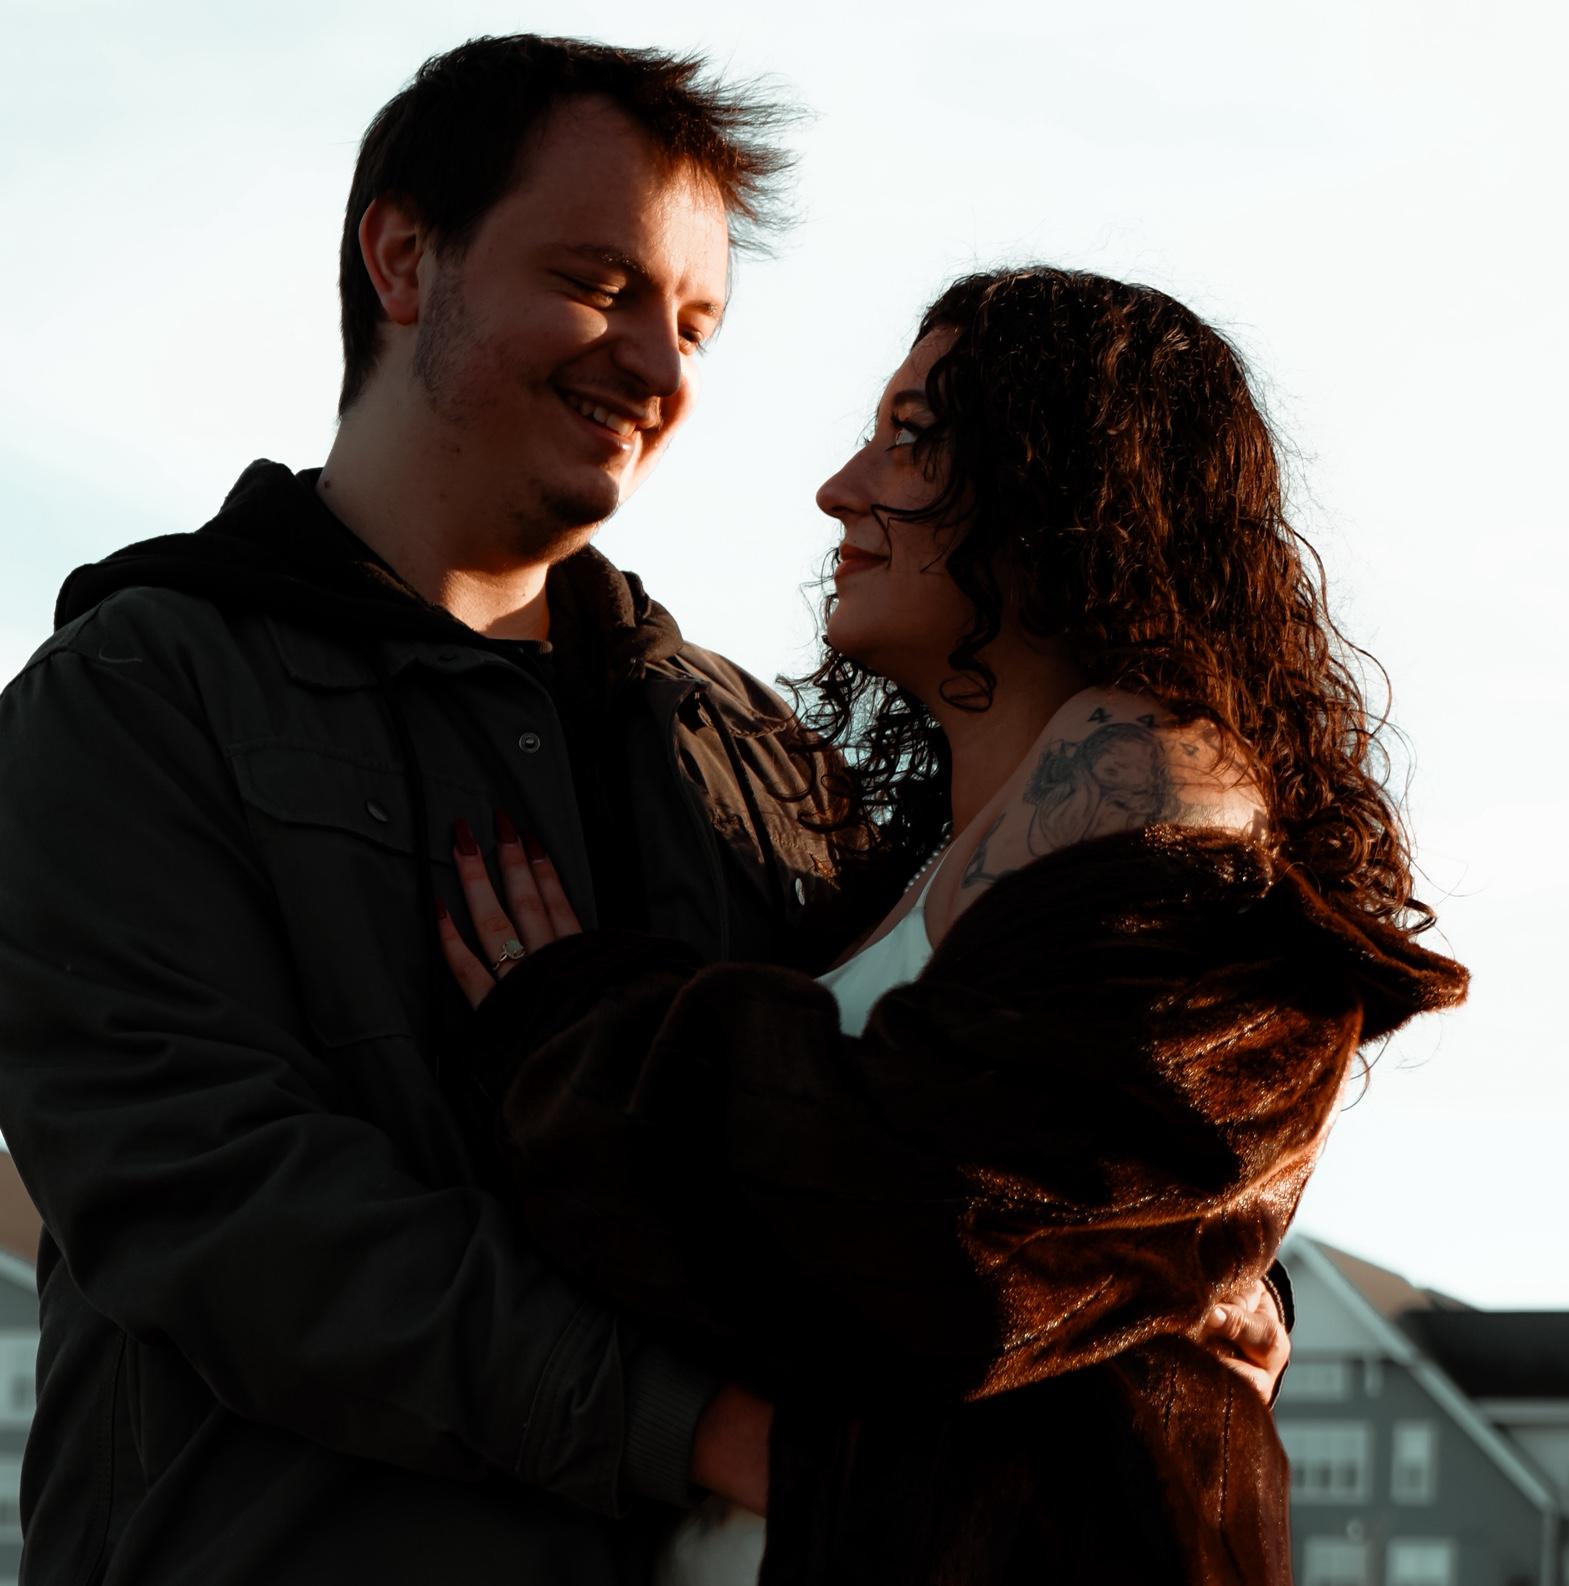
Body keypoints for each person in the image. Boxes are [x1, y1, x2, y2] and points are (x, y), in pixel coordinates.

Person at [0, 36, 1287, 1586]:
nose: (660, 370)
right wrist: (700, 1427)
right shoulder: (137, 695)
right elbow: (214, 1199)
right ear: (402, 257)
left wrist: (1166, 1267)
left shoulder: (756, 754)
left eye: (693, 323)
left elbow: (925, 1138)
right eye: (598, 285)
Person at [433, 267, 1470, 1584]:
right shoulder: (933, 855)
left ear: (1065, 485)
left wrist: (572, 1026)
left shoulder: (1140, 763)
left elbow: (935, 1236)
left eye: (913, 439)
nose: (841, 488)